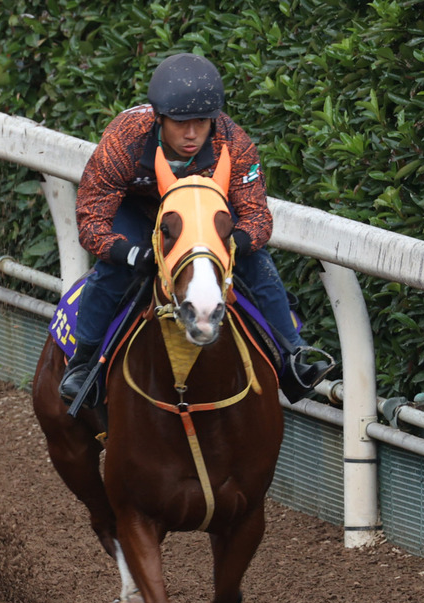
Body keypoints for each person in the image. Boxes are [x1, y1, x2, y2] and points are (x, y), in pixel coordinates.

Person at [59, 53, 334, 407]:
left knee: (257, 262)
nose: (191, 134)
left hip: (204, 217)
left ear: (214, 120)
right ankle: (83, 365)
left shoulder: (234, 143)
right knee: (112, 271)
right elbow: (92, 220)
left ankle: (294, 356)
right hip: (140, 213)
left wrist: (227, 245)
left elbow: (257, 218)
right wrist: (130, 252)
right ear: (158, 119)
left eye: (202, 122)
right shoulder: (124, 139)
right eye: (179, 123)